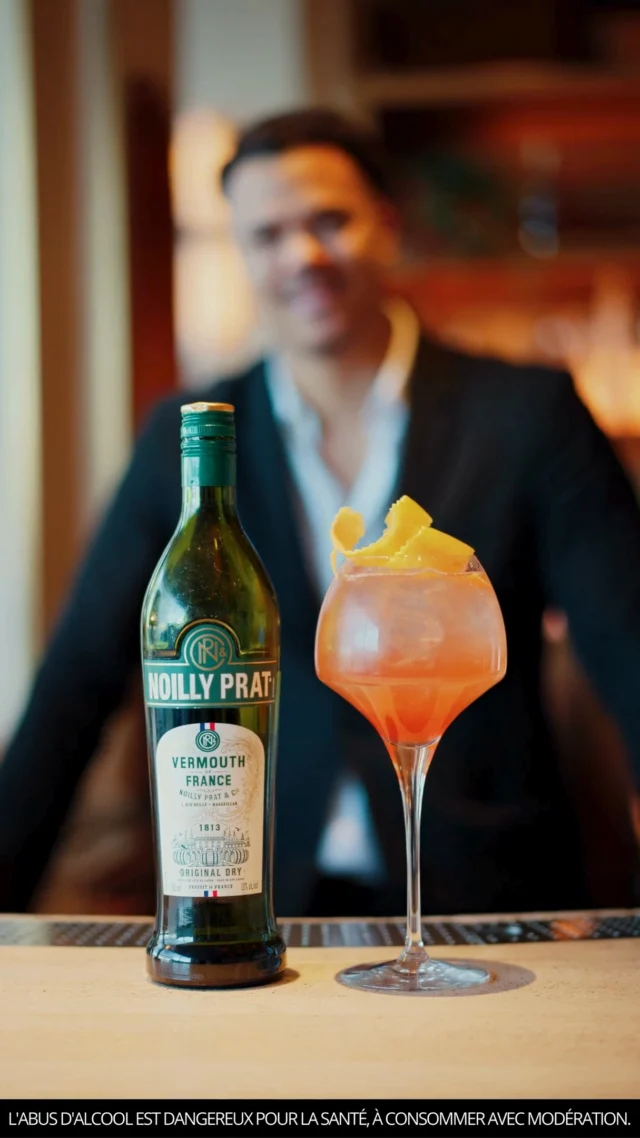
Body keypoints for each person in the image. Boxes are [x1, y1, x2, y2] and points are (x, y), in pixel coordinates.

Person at [1, 108, 639, 918]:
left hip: (486, 896)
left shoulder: (528, 415)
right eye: (267, 235)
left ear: (388, 226)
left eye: (329, 221)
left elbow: (629, 647)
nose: (302, 255)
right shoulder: (188, 439)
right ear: (243, 254)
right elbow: (75, 684)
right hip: (263, 900)